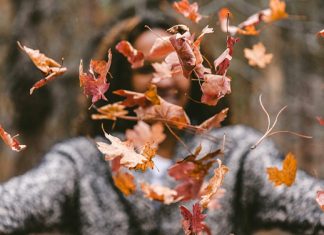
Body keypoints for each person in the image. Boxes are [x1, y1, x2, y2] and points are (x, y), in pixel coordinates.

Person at [0, 10, 323, 235]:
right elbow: (14, 203)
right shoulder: (83, 163)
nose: (163, 79)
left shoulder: (236, 153)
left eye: (176, 64)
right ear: (120, 82)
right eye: (145, 69)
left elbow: (307, 202)